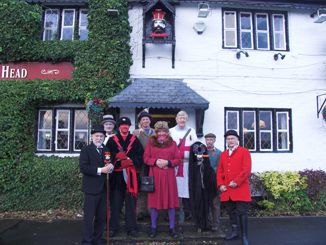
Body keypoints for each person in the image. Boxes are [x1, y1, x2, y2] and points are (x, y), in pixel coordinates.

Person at [143, 121, 181, 239]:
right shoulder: (151, 143)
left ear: (167, 132)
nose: (161, 133)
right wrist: (156, 162)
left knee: (171, 203)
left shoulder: (173, 143)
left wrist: (168, 162)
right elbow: (145, 158)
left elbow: (178, 159)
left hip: (169, 177)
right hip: (155, 175)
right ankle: (153, 228)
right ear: (156, 132)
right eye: (159, 131)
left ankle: (172, 228)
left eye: (164, 131)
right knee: (154, 203)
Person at [107, 117, 144, 237]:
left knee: (131, 204)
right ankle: (113, 228)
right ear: (119, 127)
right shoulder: (112, 140)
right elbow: (106, 156)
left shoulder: (135, 140)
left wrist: (131, 161)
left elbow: (141, 156)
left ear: (129, 127)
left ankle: (131, 228)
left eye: (126, 125)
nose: (124, 127)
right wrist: (116, 158)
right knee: (115, 203)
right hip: (117, 176)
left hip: (131, 176)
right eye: (122, 125)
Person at [79, 125, 114, 245]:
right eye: (97, 136)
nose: (99, 138)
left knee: (101, 216)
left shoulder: (107, 149)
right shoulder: (86, 150)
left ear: (104, 137)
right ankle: (87, 240)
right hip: (91, 188)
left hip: (104, 188)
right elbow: (83, 168)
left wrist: (111, 167)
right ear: (92, 137)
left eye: (101, 136)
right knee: (89, 217)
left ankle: (98, 239)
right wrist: (100, 170)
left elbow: (109, 163)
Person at [217, 130, 252, 245]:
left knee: (242, 212)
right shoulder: (223, 154)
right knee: (231, 212)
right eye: (228, 139)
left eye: (232, 138)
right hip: (227, 190)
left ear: (237, 140)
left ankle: (244, 236)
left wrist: (237, 182)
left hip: (240, 189)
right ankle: (234, 232)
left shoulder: (244, 151)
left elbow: (246, 170)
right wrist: (221, 184)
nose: (230, 140)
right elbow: (220, 171)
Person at [170, 111, 197, 226]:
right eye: (180, 118)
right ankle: (174, 213)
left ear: (186, 119)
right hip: (175, 166)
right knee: (174, 188)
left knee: (187, 187)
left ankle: (187, 213)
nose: (182, 120)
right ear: (176, 119)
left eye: (184, 118)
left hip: (187, 165)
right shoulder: (171, 131)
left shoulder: (191, 131)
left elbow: (196, 146)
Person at [189, 141, 217, 233]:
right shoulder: (193, 166)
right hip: (197, 188)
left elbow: (209, 170)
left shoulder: (206, 164)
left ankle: (206, 224)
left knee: (206, 205)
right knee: (198, 204)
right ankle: (199, 224)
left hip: (206, 188)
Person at [133, 109, 156, 219]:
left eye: (147, 119)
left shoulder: (155, 132)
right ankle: (140, 212)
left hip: (152, 163)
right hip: (141, 164)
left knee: (152, 186)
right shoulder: (136, 133)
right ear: (140, 122)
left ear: (150, 121)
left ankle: (151, 211)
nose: (146, 121)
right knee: (141, 187)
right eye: (143, 119)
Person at [205, 133, 226, 238]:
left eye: (211, 139)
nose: (209, 141)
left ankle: (215, 224)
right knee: (206, 204)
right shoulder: (202, 151)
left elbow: (221, 168)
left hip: (216, 182)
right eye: (207, 139)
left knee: (215, 204)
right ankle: (207, 223)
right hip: (205, 182)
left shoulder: (219, 153)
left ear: (214, 140)